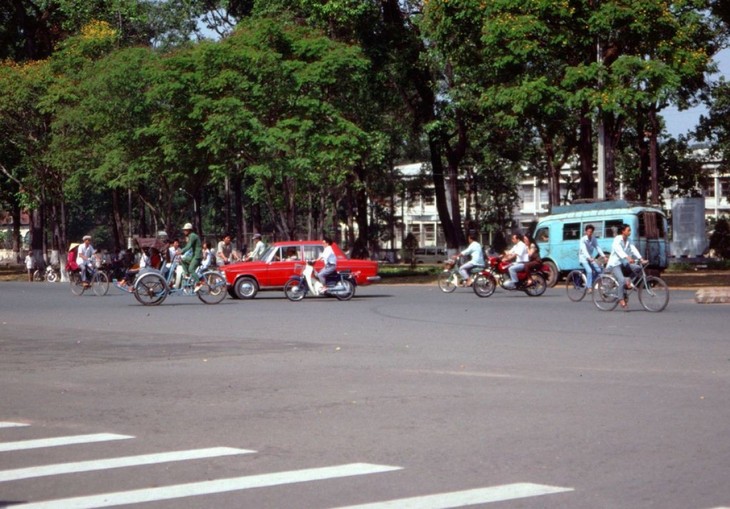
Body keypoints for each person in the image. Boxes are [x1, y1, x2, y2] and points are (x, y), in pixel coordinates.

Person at [605, 223, 646, 309]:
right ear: (623, 231)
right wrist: (627, 257)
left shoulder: (629, 240)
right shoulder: (617, 239)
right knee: (621, 280)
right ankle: (621, 299)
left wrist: (641, 258)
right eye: (628, 230)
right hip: (615, 264)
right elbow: (618, 250)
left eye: (630, 230)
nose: (630, 232)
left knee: (638, 268)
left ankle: (628, 282)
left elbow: (633, 249)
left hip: (623, 263)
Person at [579, 224, 605, 291]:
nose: (589, 233)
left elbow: (597, 247)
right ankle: (589, 287)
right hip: (583, 258)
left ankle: (591, 282)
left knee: (599, 270)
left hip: (590, 257)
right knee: (589, 271)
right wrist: (589, 258)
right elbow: (584, 250)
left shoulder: (593, 239)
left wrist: (603, 256)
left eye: (591, 232)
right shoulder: (583, 240)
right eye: (588, 231)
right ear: (586, 232)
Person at [179, 223, 203, 291]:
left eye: (185, 230)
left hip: (197, 256)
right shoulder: (190, 236)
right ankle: (187, 275)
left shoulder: (193, 236)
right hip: (193, 256)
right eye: (184, 230)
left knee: (191, 269)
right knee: (183, 260)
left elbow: (188, 246)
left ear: (189, 230)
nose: (184, 231)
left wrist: (181, 251)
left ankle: (199, 283)